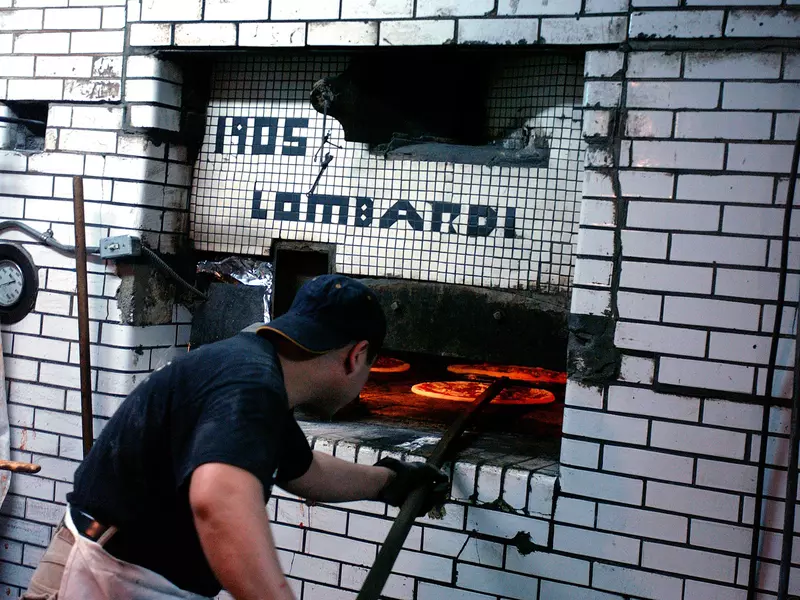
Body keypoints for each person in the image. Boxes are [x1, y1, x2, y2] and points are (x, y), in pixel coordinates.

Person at [22, 274, 448, 600]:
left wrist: (391, 481)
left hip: (127, 573)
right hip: (102, 578)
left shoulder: (254, 374)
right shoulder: (253, 385)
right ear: (357, 356)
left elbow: (306, 471)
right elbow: (218, 500)